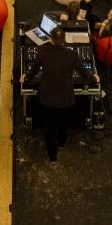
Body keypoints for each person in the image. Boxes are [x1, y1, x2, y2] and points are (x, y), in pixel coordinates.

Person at [21, 27, 97, 163]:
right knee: (63, 123)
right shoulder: (72, 55)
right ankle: (61, 144)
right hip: (65, 98)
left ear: (51, 39)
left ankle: (52, 157)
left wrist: (25, 78)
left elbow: (32, 72)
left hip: (46, 99)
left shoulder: (42, 52)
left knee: (49, 129)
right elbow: (84, 73)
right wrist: (95, 78)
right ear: (64, 40)